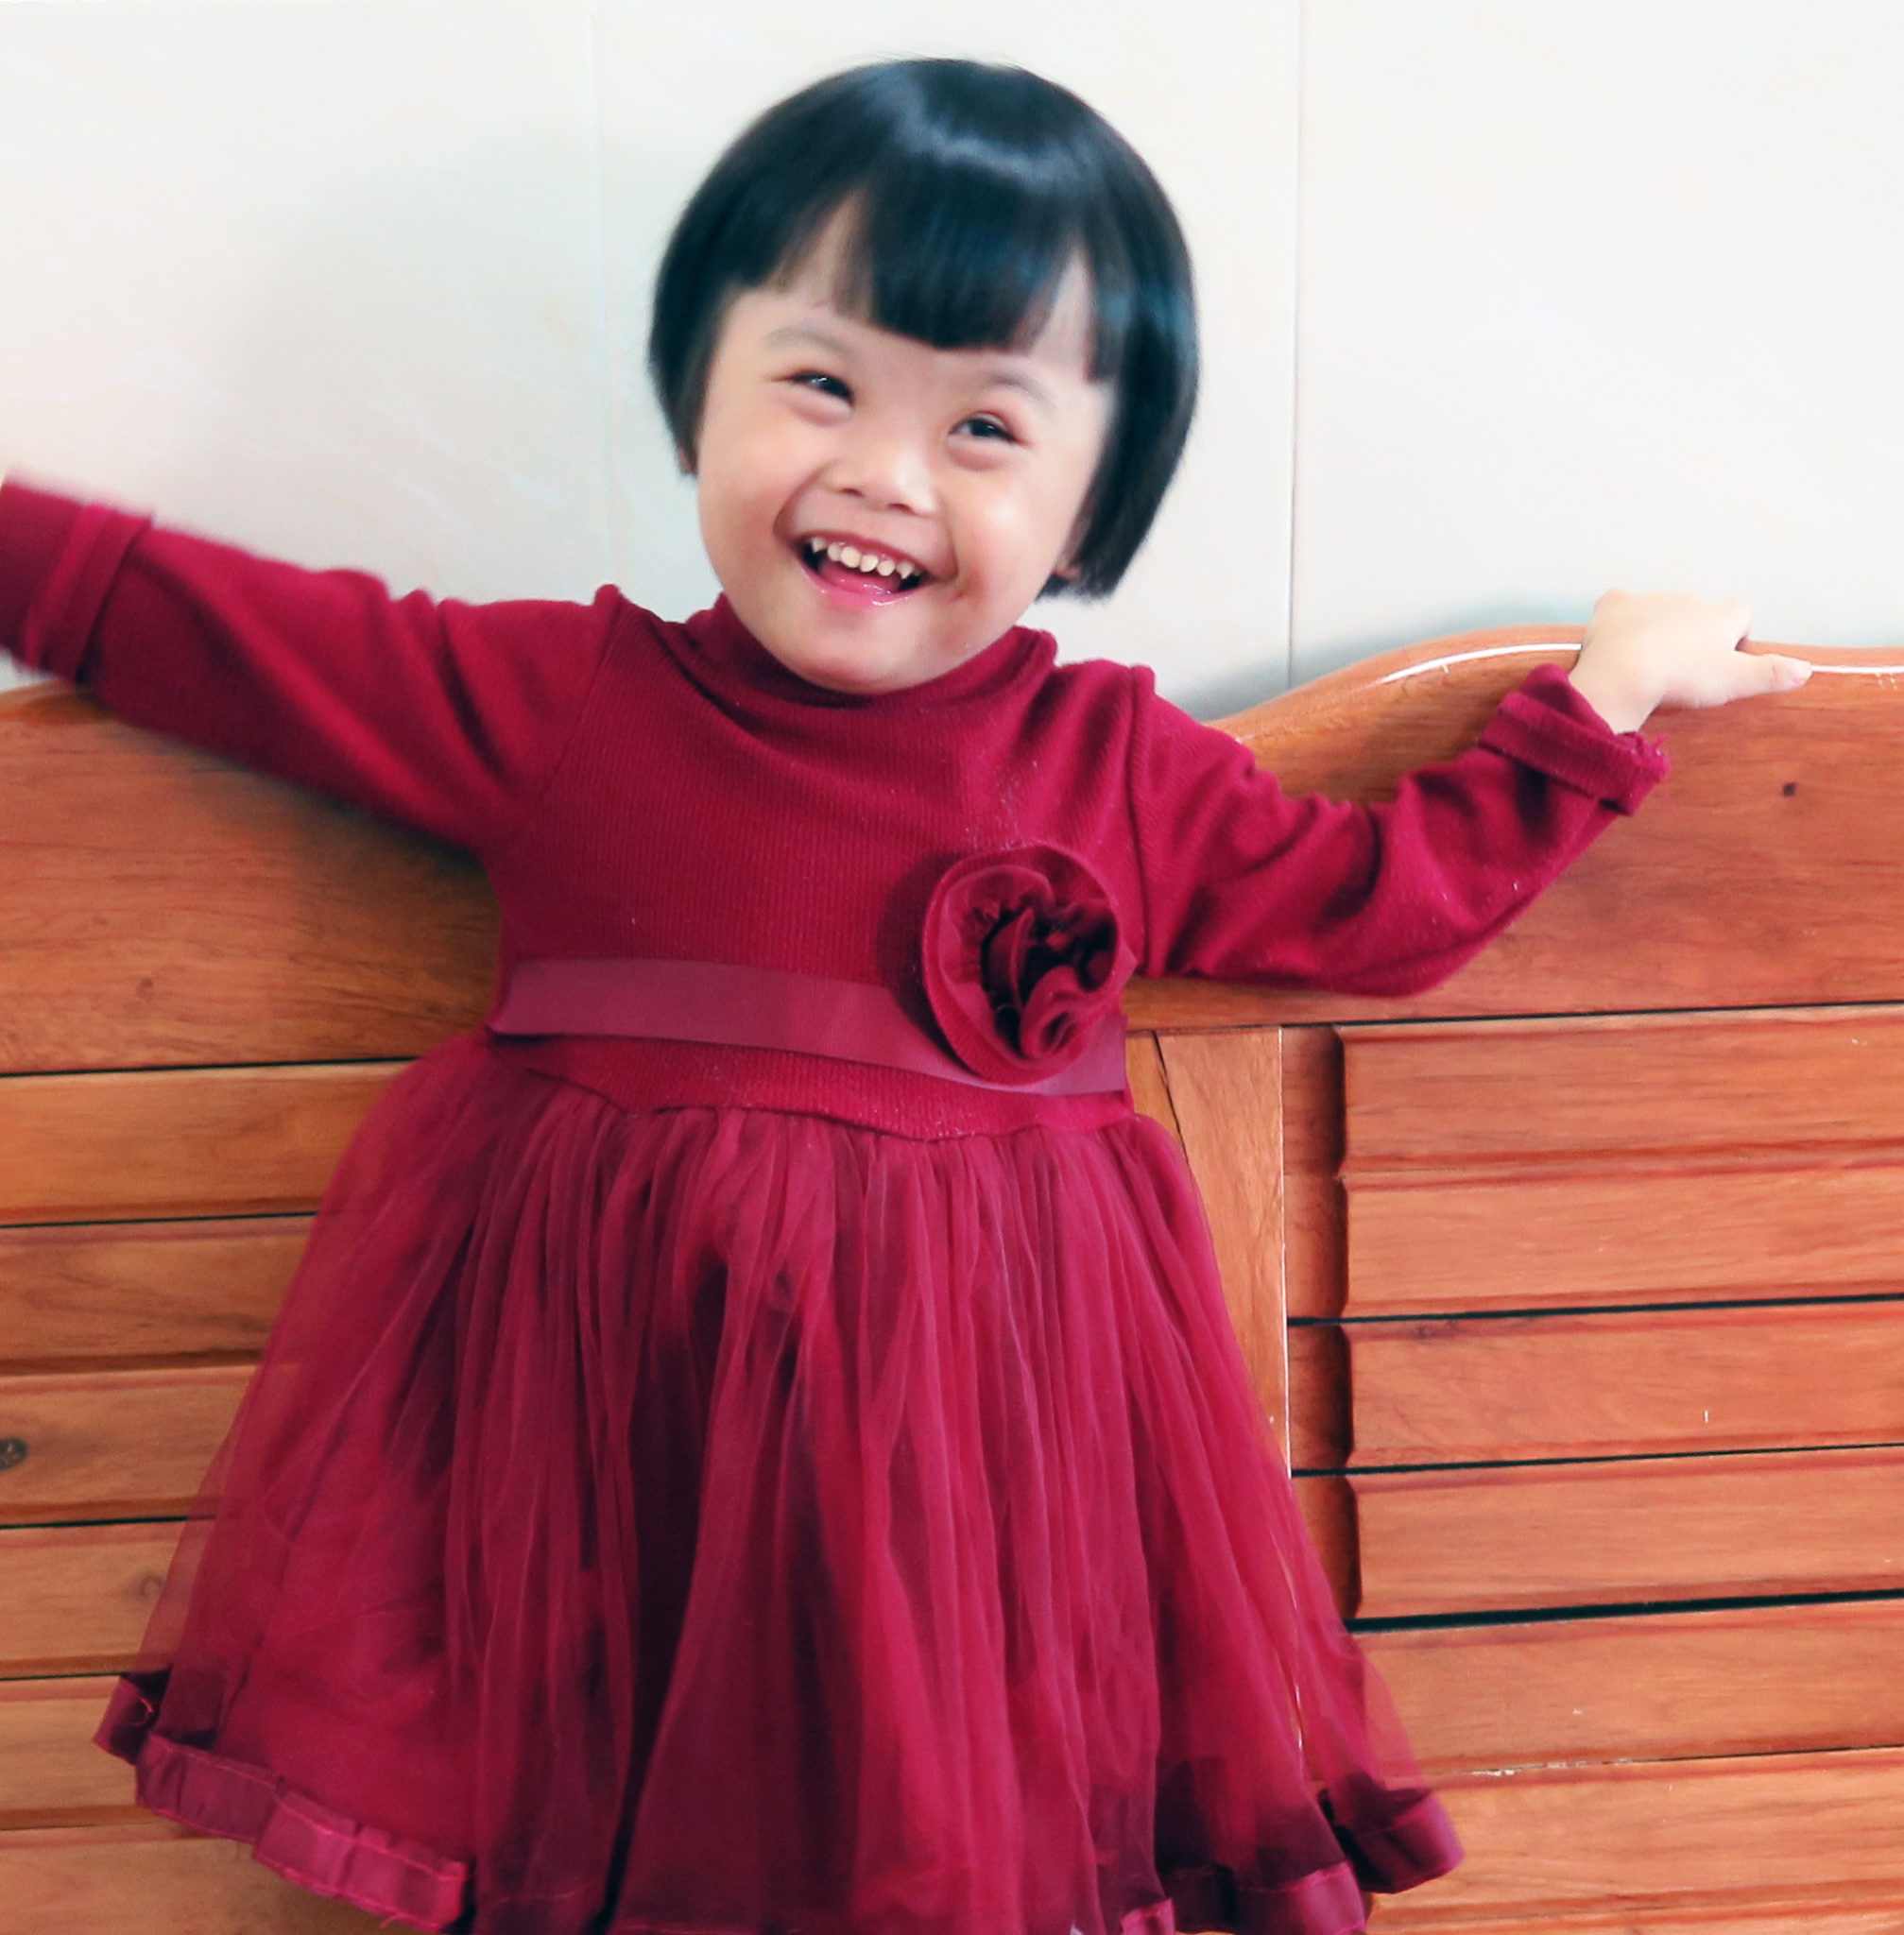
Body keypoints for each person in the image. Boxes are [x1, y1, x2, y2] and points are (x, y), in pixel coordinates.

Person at [0, 57, 1806, 1935]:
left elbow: (1378, 908)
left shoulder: (1113, 767)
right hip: (612, 1483)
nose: (884, 470)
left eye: (986, 427)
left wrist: (1602, 696)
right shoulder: (565, 707)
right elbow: (186, 621)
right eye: (822, 384)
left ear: (1090, 510)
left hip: (962, 1517)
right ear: (697, 396)